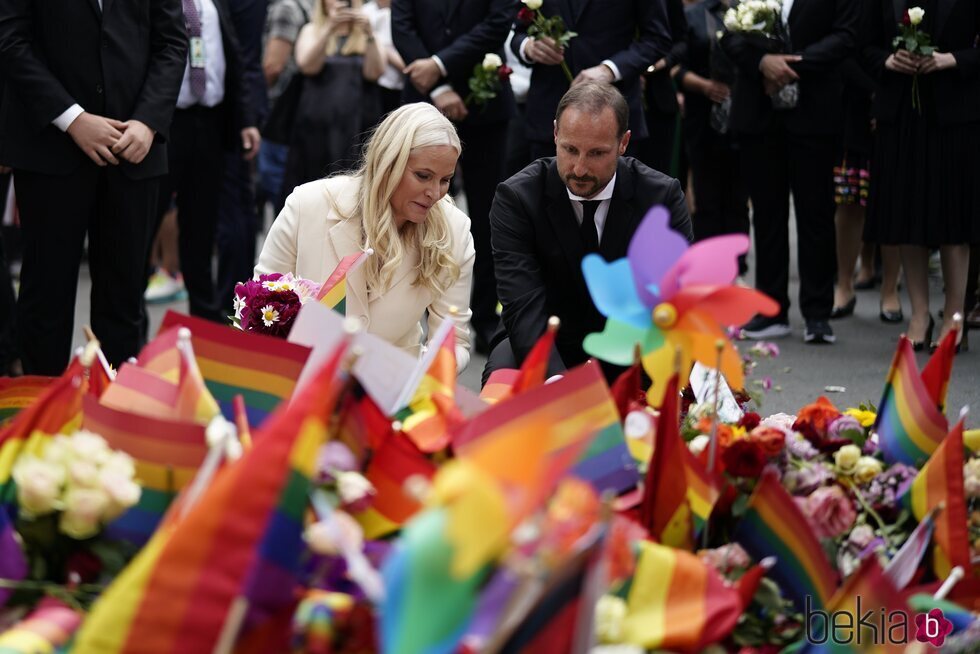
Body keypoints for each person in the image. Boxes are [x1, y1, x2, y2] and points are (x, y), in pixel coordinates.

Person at [0, 0, 187, 374]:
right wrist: (73, 119)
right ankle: (42, 418)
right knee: (44, 300)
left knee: (125, 300)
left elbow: (172, 42)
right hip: (50, 151)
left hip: (133, 151)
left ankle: (116, 413)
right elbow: (11, 40)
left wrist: (147, 122)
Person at [485, 82, 692, 385]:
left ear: (624, 143)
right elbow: (523, 304)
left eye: (597, 153)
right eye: (570, 150)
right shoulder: (517, 198)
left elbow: (672, 299)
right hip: (540, 339)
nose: (579, 168)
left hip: (632, 343)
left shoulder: (661, 197)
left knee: (680, 409)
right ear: (555, 133)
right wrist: (558, 384)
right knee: (500, 400)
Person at [256, 103, 475, 369]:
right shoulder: (307, 204)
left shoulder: (455, 229)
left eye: (445, 180)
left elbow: (457, 342)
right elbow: (261, 305)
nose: (435, 192)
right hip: (304, 379)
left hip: (391, 392)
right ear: (387, 162)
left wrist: (430, 371)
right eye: (423, 176)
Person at [722, 0, 859, 345]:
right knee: (767, 214)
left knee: (816, 213)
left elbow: (845, 35)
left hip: (814, 110)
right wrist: (761, 62)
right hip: (758, 109)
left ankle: (817, 312)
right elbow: (728, 31)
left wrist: (792, 64)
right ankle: (771, 310)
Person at [391, 0, 517, 355]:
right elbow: (402, 27)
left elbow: (498, 21)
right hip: (421, 100)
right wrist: (436, 85)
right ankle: (398, 312)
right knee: (404, 207)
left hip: (485, 103)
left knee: (490, 214)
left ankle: (485, 321)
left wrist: (440, 65)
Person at [863, 0, 980, 351]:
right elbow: (861, 44)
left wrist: (953, 59)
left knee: (952, 218)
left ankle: (953, 315)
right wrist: (887, 59)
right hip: (901, 115)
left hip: (955, 112)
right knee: (907, 215)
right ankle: (920, 314)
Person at [152, 0, 262, 325]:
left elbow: (233, 57)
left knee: (201, 229)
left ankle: (203, 320)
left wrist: (245, 120)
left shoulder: (216, 3)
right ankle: (131, 326)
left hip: (211, 122)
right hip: (165, 121)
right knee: (146, 221)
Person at [511, 0, 673, 161]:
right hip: (549, 112)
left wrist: (609, 70)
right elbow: (518, 32)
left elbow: (657, 39)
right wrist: (528, 47)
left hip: (613, 114)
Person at [830, 0, 902, 324]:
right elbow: (843, 49)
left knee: (892, 199)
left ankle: (890, 290)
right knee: (850, 201)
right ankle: (843, 283)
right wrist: (872, 92)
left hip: (899, 100)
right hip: (854, 105)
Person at [673, 0, 749, 275]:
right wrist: (706, 86)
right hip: (701, 116)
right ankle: (707, 264)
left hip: (742, 115)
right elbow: (675, 66)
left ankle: (736, 263)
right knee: (707, 195)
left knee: (738, 196)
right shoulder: (692, 15)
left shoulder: (749, 12)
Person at [283, 0, 385, 194]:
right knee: (313, 183)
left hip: (358, 124)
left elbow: (375, 72)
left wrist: (370, 35)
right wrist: (329, 29)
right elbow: (307, 66)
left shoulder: (365, 32)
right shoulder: (311, 30)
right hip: (316, 125)